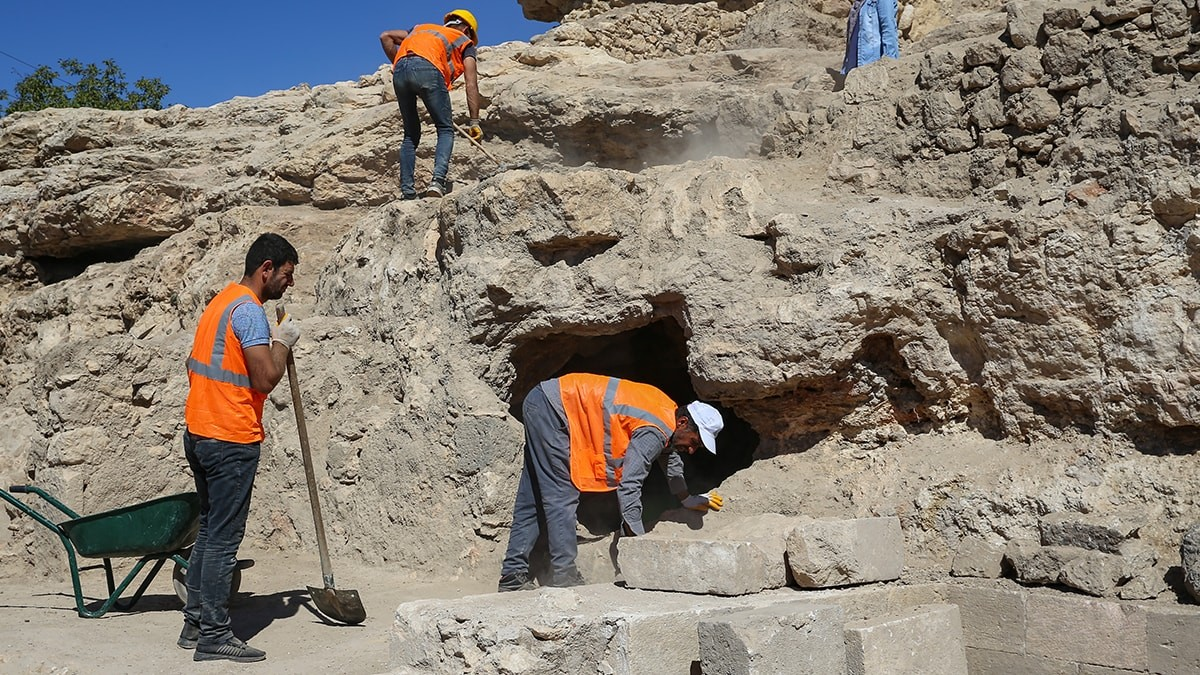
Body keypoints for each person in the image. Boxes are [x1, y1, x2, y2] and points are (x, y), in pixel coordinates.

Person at [177, 233, 301, 663]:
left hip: (200, 430)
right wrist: (283, 342)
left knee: (209, 530)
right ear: (266, 268)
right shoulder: (248, 312)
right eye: (286, 274)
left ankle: (195, 624)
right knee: (223, 538)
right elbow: (265, 379)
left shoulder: (221, 302)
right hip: (230, 436)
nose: (289, 284)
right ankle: (214, 635)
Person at [498, 373, 726, 591]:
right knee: (562, 495)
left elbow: (670, 458)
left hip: (546, 402)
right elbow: (630, 485)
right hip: (554, 409)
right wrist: (637, 541)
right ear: (683, 422)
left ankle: (512, 576)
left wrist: (686, 499)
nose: (692, 450)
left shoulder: (666, 414)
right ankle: (564, 576)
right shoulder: (655, 430)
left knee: (532, 496)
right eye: (694, 442)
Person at [380, 9, 482, 200]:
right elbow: (471, 83)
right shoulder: (464, 41)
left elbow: (386, 36)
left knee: (410, 135)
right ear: (467, 29)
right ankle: (437, 182)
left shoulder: (421, 28)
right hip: (429, 71)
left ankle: (407, 192)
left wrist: (407, 66)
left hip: (400, 71)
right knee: (445, 129)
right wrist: (474, 121)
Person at [841, 0, 900, 75]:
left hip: (871, 68)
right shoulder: (860, 2)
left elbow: (889, 30)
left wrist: (890, 65)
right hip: (855, 67)